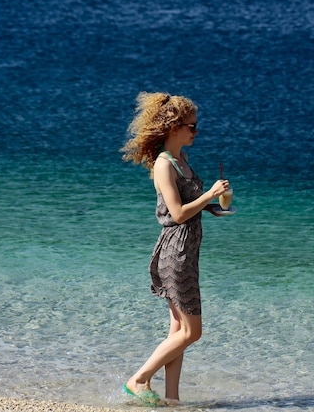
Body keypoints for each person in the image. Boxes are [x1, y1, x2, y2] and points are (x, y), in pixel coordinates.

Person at [120, 92, 229, 406]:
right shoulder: (165, 165)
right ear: (172, 128)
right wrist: (208, 195)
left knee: (178, 330)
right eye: (191, 127)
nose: (196, 132)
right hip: (175, 253)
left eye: (196, 127)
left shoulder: (182, 161)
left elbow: (182, 209)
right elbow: (177, 214)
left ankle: (173, 399)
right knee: (192, 332)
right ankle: (138, 380)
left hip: (187, 251)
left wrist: (210, 209)